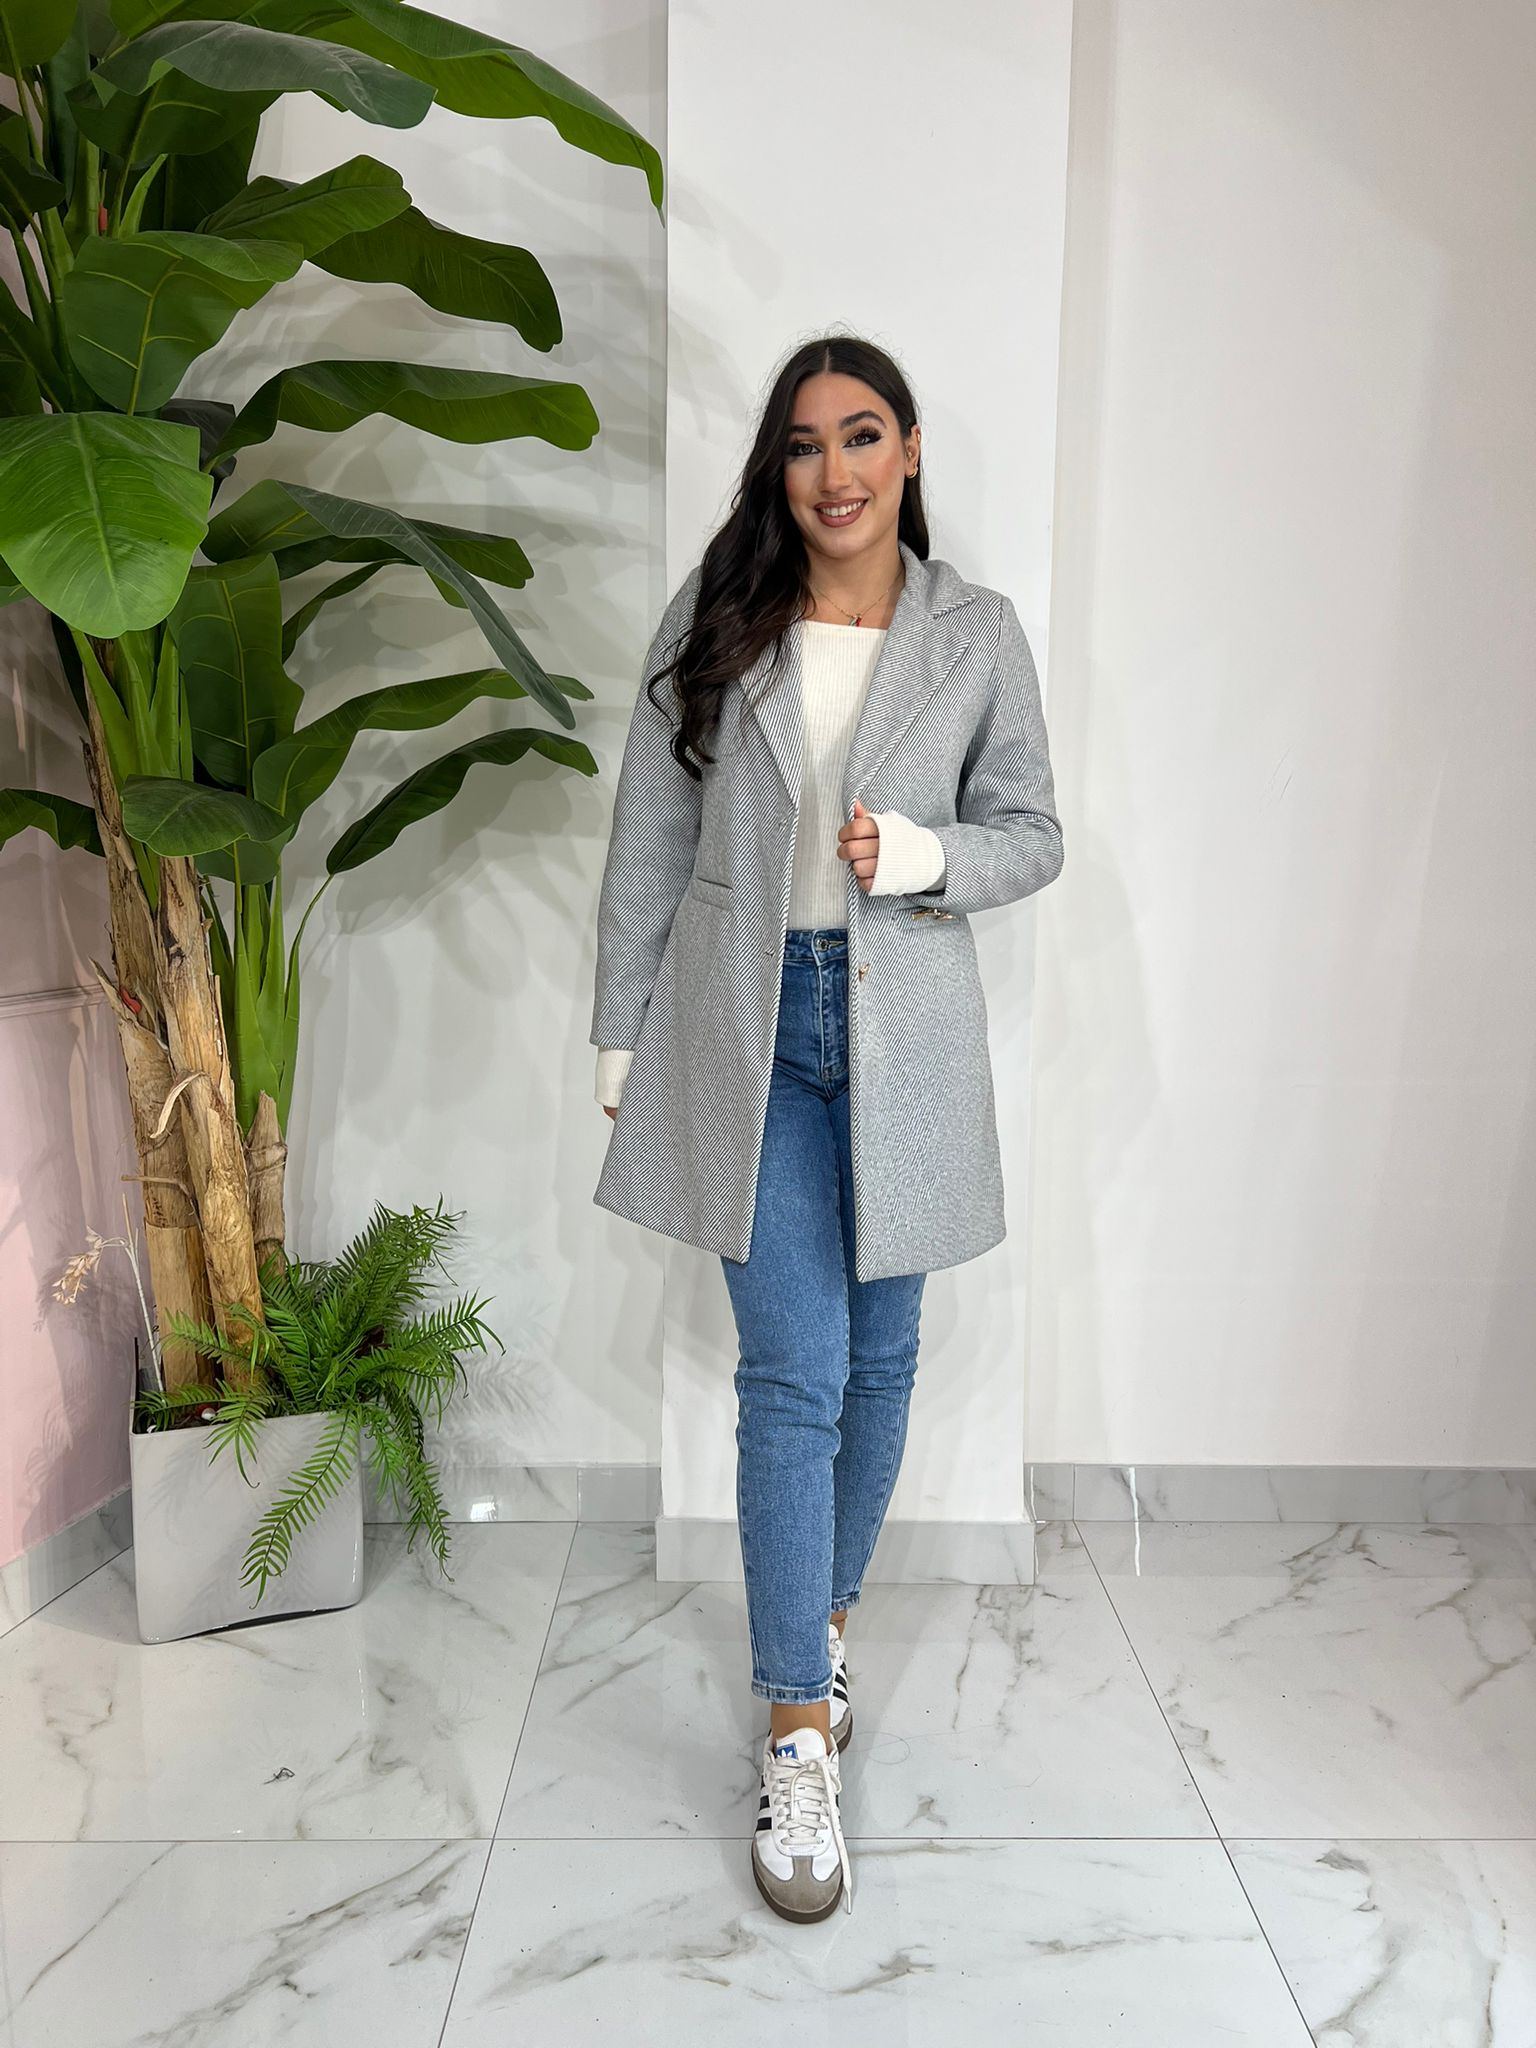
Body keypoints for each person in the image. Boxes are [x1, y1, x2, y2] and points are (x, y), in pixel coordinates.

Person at [589, 334, 1064, 1922]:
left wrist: (927, 857)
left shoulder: (976, 636)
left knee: (883, 1363)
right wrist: (621, 1029)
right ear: (778, 469)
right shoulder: (722, 617)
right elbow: (650, 835)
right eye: (805, 444)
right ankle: (799, 1728)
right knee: (791, 1377)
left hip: (906, 1035)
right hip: (749, 1030)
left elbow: (1035, 834)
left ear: (909, 451)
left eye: (864, 437)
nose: (836, 472)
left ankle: (825, 1627)